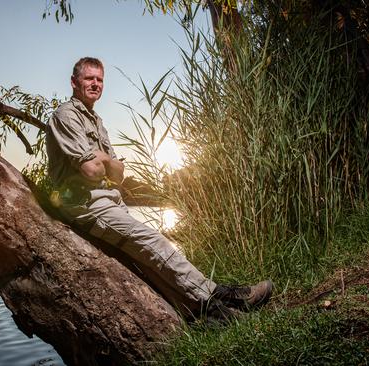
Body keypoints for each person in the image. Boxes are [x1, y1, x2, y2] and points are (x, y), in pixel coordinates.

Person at [46, 57, 272, 321]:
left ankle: (211, 316)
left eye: (99, 79)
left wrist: (104, 160)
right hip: (85, 204)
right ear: (74, 82)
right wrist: (106, 161)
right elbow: (93, 170)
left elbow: (118, 176)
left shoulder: (96, 121)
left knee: (147, 258)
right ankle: (227, 296)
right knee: (153, 240)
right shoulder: (66, 115)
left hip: (109, 200)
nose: (95, 84)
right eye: (89, 79)